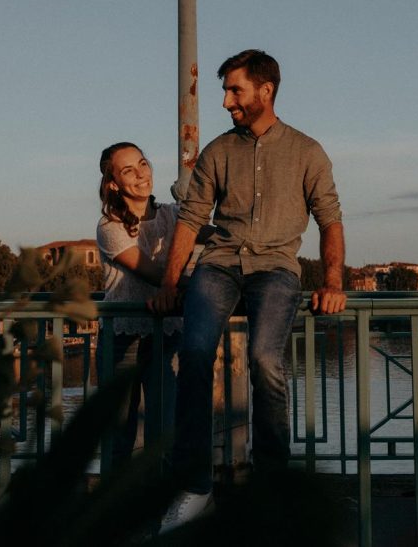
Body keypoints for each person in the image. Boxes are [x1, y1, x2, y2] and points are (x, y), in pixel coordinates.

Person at [150, 49, 347, 531]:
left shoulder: (307, 151)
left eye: (234, 90)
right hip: (218, 266)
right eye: (225, 91)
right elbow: (193, 218)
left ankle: (272, 488)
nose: (225, 101)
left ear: (266, 90)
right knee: (194, 356)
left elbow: (330, 219)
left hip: (277, 269)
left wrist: (334, 281)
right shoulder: (218, 151)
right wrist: (169, 283)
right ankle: (194, 488)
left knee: (265, 360)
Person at [95, 141, 184, 472]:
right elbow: (153, 274)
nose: (141, 174)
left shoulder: (174, 215)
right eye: (128, 170)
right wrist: (198, 285)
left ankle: (165, 510)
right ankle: (114, 514)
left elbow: (217, 234)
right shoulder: (109, 227)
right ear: (114, 183)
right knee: (120, 434)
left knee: (166, 429)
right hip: (122, 338)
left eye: (143, 164)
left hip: (166, 333)